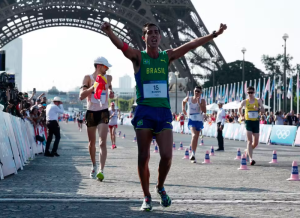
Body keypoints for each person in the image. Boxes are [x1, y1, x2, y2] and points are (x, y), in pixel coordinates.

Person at [101, 20, 227, 211]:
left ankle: (160, 187)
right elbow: (122, 46)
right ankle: (146, 196)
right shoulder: (138, 57)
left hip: (163, 113)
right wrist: (110, 31)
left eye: (156, 33)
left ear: (160, 37)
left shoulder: (166, 57)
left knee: (167, 155)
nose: (153, 35)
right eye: (149, 32)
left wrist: (214, 35)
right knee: (143, 157)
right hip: (144, 111)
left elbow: (191, 45)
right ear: (144, 37)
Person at [79, 56, 114, 181]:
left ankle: (101, 170)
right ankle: (94, 165)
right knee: (92, 143)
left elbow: (110, 88)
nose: (107, 69)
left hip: (103, 111)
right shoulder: (88, 78)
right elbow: (81, 96)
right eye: (106, 67)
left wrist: (111, 92)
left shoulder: (108, 78)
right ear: (99, 66)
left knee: (102, 142)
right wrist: (93, 87)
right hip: (91, 112)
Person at [239, 86, 265, 166]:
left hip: (256, 122)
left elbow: (263, 111)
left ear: (254, 93)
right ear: (247, 93)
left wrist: (257, 109)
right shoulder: (245, 101)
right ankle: (251, 159)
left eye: (251, 92)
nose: (250, 94)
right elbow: (239, 108)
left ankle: (247, 151)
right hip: (248, 122)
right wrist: (242, 116)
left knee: (256, 142)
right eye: (249, 92)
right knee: (249, 141)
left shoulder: (258, 100)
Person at [182, 87, 206, 163]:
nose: (197, 92)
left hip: (199, 119)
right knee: (194, 135)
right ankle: (192, 154)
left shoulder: (202, 100)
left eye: (198, 91)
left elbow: (204, 110)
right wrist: (183, 109)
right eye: (195, 91)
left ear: (201, 93)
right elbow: (183, 101)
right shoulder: (188, 98)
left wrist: (199, 103)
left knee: (196, 138)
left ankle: (193, 154)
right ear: (193, 91)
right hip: (191, 119)